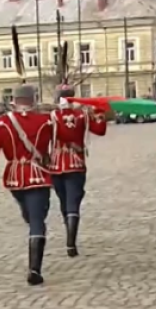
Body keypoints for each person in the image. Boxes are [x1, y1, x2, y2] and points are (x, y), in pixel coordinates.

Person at [0, 84, 54, 286]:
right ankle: (34, 269)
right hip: (38, 175)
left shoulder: (3, 122)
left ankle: (34, 256)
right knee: (37, 219)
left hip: (14, 177)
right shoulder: (45, 120)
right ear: (33, 99)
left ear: (15, 99)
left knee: (30, 216)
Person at [49, 85, 108, 256]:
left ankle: (69, 234)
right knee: (73, 202)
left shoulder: (53, 116)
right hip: (76, 163)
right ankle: (71, 243)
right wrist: (99, 111)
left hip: (57, 164)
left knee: (64, 202)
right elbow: (100, 130)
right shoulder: (82, 115)